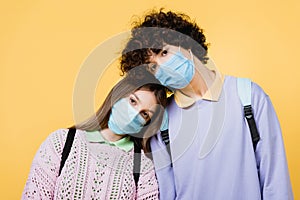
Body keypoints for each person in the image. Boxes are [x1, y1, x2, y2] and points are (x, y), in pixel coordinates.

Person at [119, 9, 294, 199]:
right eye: (153, 66)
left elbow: (275, 182)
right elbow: (167, 193)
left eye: (164, 52)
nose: (163, 66)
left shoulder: (248, 96)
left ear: (186, 42)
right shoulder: (163, 121)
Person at [22, 67, 168, 199]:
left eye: (145, 114)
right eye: (133, 101)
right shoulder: (61, 142)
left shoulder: (142, 165)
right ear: (117, 95)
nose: (134, 114)